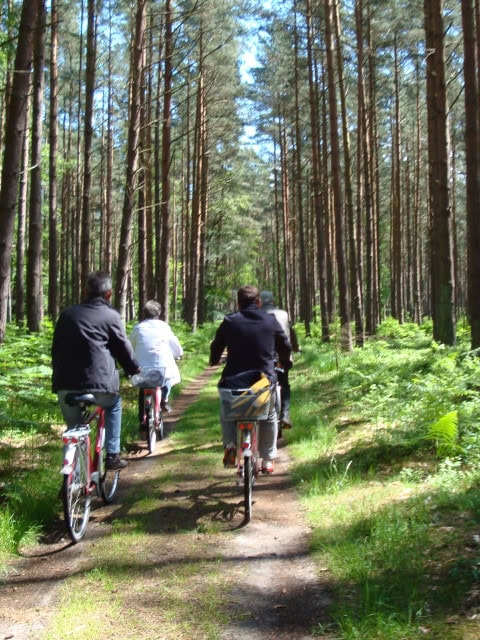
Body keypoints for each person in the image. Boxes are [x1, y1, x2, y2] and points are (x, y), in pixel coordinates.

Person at [52, 271, 140, 470]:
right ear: (109, 294)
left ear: (85, 291)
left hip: (64, 385)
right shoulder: (111, 316)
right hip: (101, 386)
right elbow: (123, 348)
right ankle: (113, 455)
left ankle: (70, 481)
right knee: (114, 404)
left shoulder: (67, 314)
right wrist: (133, 369)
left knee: (73, 428)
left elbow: (56, 348)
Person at [210, 285, 291, 474]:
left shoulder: (229, 321)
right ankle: (268, 459)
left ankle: (230, 445)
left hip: (233, 382)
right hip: (263, 382)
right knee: (270, 414)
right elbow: (284, 345)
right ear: (259, 302)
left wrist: (214, 361)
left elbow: (217, 345)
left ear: (238, 304)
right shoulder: (270, 321)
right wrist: (284, 363)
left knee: (227, 410)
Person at [129, 300, 183, 428]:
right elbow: (176, 347)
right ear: (159, 313)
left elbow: (129, 347)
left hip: (142, 368)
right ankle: (164, 398)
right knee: (169, 376)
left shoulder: (138, 328)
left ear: (144, 313)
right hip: (162, 368)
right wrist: (179, 354)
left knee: (143, 388)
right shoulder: (164, 327)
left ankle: (142, 420)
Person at [260, 291, 300, 431]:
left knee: (259, 384)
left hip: (264, 358)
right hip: (282, 357)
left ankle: (259, 415)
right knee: (284, 384)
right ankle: (285, 414)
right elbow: (290, 332)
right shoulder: (283, 314)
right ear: (272, 301)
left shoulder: (257, 314)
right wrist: (296, 348)